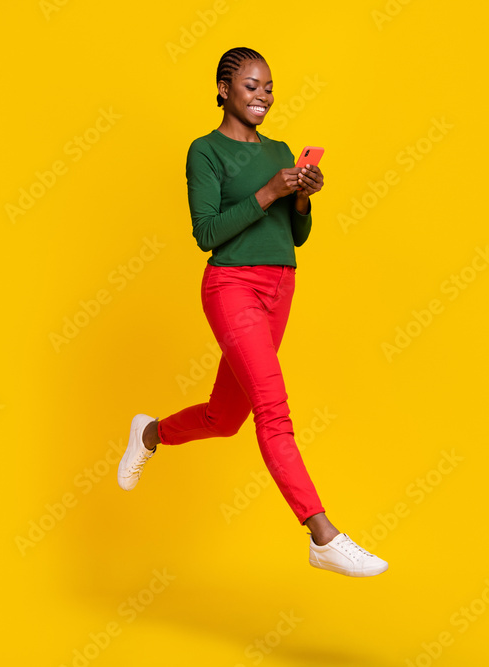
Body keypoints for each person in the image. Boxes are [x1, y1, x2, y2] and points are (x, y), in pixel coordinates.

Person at [117, 47, 388, 577]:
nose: (262, 95)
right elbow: (207, 233)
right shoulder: (205, 151)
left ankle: (148, 434)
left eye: (268, 87)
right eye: (250, 86)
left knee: (225, 418)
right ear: (223, 90)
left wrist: (303, 197)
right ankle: (321, 534)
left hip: (280, 287)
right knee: (273, 409)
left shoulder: (281, 149)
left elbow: (297, 235)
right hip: (232, 286)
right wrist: (268, 191)